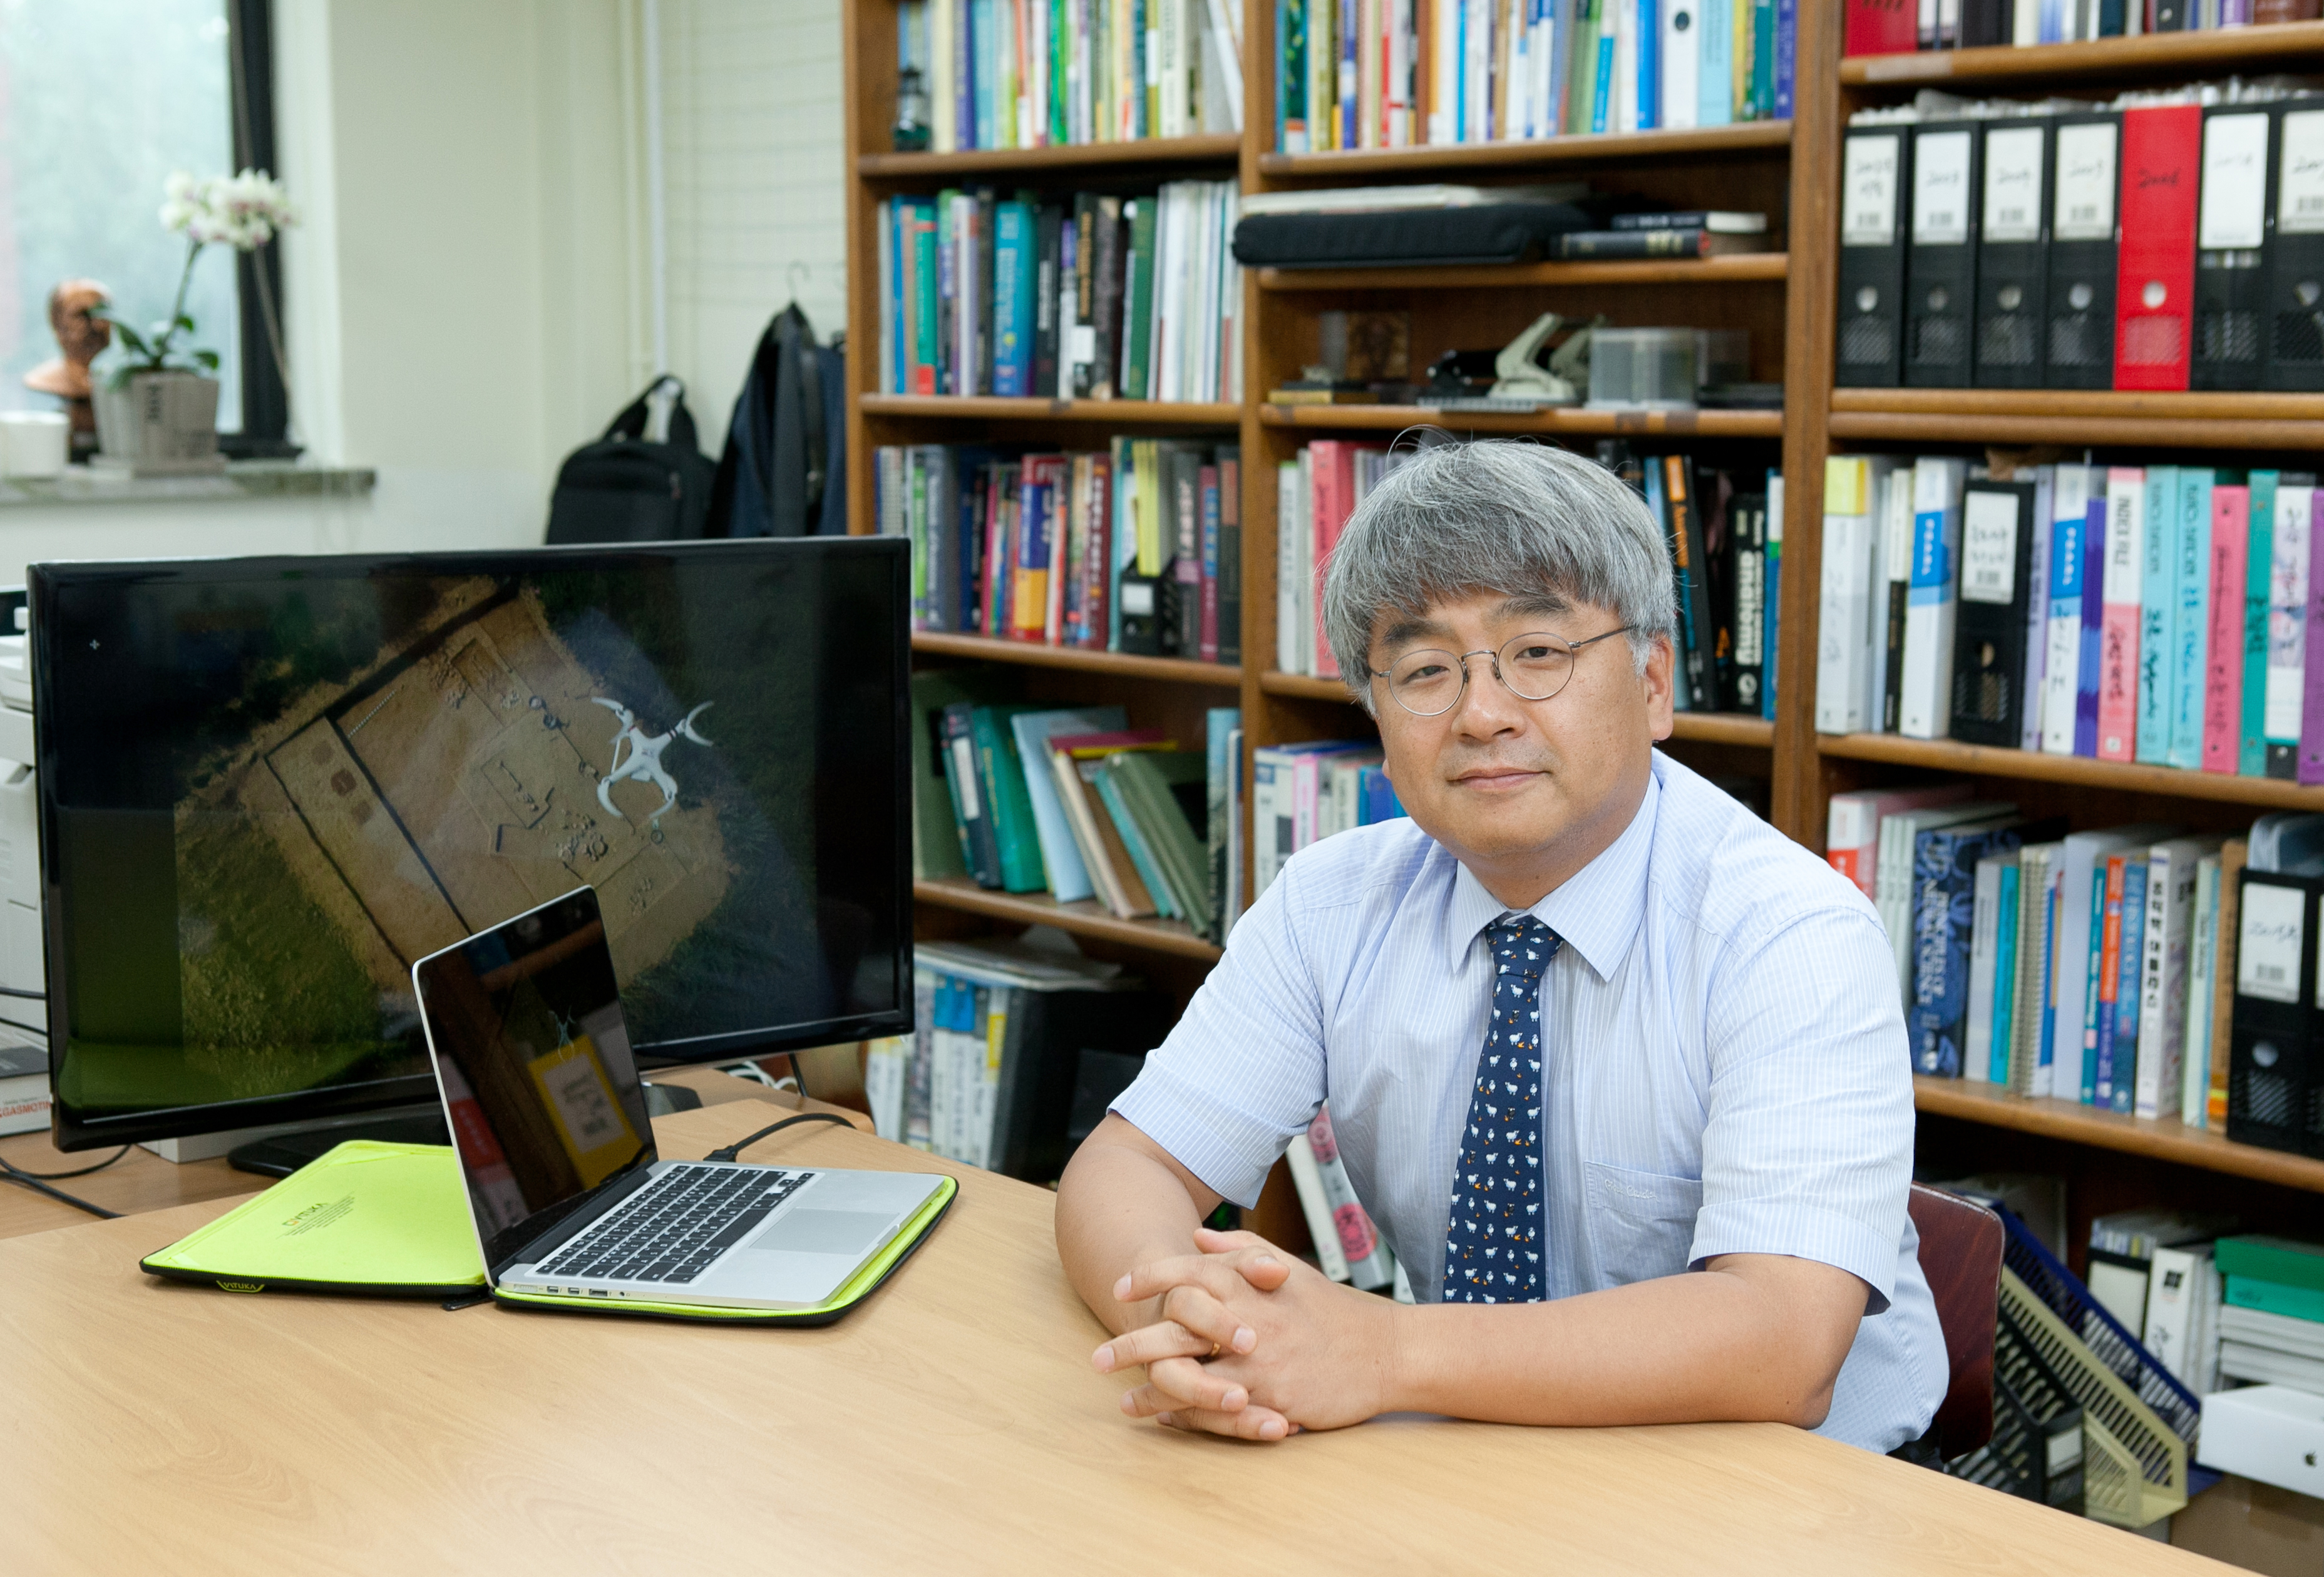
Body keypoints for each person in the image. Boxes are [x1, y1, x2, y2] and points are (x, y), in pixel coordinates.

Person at [1054, 439, 1946, 1452]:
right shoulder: (1331, 905)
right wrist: (1187, 1330)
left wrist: (1381, 1352)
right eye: (1425, 670)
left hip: (1781, 1480)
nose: (1481, 715)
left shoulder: (1789, 933)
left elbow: (1785, 1341)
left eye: (1538, 654)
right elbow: (1130, 1162)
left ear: (1654, 684)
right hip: (1467, 1444)